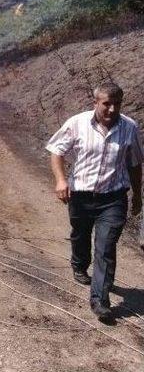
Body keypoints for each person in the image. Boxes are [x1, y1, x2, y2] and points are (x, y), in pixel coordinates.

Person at [46, 82, 142, 321]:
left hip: (113, 198)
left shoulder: (129, 127)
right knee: (80, 233)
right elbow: (56, 151)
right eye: (106, 104)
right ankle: (79, 264)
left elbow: (134, 163)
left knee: (106, 246)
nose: (111, 109)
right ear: (96, 103)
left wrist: (138, 195)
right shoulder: (77, 123)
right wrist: (60, 180)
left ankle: (100, 299)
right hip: (80, 195)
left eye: (116, 104)